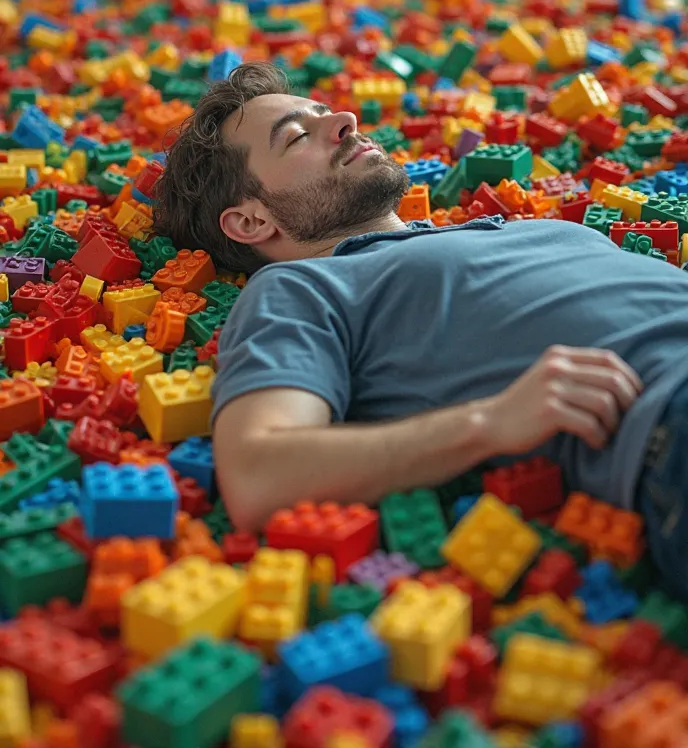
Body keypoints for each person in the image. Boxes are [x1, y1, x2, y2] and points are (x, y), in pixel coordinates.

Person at [154, 61, 688, 599]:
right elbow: (259, 475)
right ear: (251, 221)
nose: (343, 118)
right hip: (666, 409)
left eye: (324, 113)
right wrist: (492, 420)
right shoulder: (301, 288)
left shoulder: (507, 226)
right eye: (296, 137)